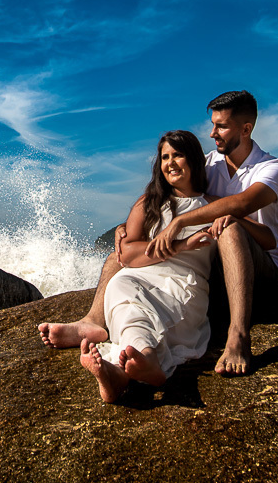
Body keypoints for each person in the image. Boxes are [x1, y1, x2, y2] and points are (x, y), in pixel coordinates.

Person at [40, 90, 278, 376]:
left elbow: (242, 205)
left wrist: (179, 224)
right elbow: (174, 190)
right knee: (117, 259)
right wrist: (127, 227)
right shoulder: (208, 163)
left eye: (221, 126)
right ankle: (93, 321)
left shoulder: (271, 168)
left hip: (255, 271)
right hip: (213, 268)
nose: (212, 133)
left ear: (245, 129)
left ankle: (238, 336)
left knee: (230, 226)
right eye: (213, 125)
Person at [78, 129, 216, 402]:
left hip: (184, 286)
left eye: (178, 155)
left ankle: (123, 373)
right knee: (121, 284)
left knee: (140, 306)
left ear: (194, 159)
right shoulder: (150, 203)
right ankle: (138, 364)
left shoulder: (212, 207)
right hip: (141, 277)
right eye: (165, 157)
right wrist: (179, 246)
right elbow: (128, 254)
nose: (171, 163)